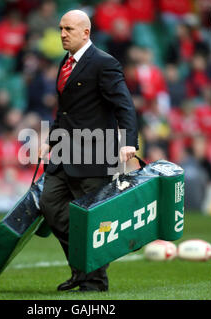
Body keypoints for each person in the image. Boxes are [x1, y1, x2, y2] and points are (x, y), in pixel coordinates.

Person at [38, 10, 138, 292]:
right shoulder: (66, 62)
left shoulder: (104, 63)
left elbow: (124, 104)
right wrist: (52, 139)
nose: (62, 34)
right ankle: (81, 268)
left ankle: (93, 282)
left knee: (92, 220)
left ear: (86, 32)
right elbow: (66, 110)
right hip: (64, 153)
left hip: (95, 156)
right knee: (50, 205)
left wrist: (129, 141)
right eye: (60, 28)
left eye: (68, 29)